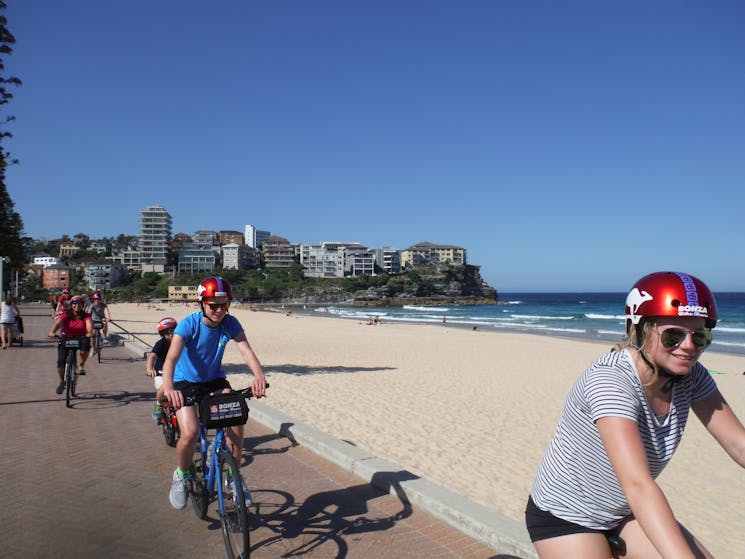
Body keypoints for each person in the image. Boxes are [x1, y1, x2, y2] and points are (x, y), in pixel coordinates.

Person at [526, 272, 745, 558]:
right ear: (637, 330)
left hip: (623, 511)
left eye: (700, 336)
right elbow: (638, 484)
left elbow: (738, 444)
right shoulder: (611, 382)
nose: (689, 346)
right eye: (673, 335)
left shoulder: (692, 376)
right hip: (567, 515)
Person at [161, 276, 267, 510]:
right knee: (188, 434)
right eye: (213, 305)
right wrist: (168, 386)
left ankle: (233, 476)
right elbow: (171, 358)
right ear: (202, 303)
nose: (219, 310)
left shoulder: (230, 324)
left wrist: (259, 376)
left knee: (236, 416)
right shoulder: (189, 325)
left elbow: (246, 352)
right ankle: (182, 474)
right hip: (185, 382)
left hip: (213, 381)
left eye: (224, 304)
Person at [48, 295, 93, 394]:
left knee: (86, 346)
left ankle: (81, 365)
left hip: (80, 337)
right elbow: (58, 323)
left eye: (79, 303)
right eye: (74, 303)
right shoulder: (66, 314)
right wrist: (52, 332)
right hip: (66, 338)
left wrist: (89, 332)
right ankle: (62, 382)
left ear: (83, 305)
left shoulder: (86, 316)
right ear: (71, 304)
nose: (77, 305)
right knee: (61, 362)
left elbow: (89, 324)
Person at [146, 316, 177, 421]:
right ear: (163, 334)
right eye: (168, 333)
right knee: (164, 386)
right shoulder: (161, 344)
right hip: (161, 372)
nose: (172, 334)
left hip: (177, 372)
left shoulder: (180, 342)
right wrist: (149, 369)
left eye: (174, 331)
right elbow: (152, 356)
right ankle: (159, 405)